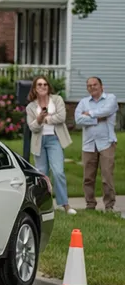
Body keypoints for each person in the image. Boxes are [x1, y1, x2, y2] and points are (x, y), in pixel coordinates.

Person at [26, 76, 75, 215]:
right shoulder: (31, 107)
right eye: (39, 84)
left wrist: (44, 118)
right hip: (39, 141)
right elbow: (33, 128)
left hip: (55, 139)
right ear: (35, 88)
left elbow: (61, 117)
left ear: (48, 87)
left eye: (45, 84)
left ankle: (65, 205)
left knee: (58, 172)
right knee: (42, 174)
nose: (42, 87)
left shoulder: (57, 100)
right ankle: (44, 205)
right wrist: (39, 119)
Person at [74, 77, 118, 212]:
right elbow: (78, 119)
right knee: (88, 177)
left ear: (101, 86)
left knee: (107, 176)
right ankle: (90, 205)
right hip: (88, 145)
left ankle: (109, 206)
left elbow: (107, 111)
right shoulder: (83, 102)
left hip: (107, 143)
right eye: (89, 86)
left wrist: (89, 114)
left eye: (95, 85)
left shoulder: (111, 98)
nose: (92, 87)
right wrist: (96, 119)